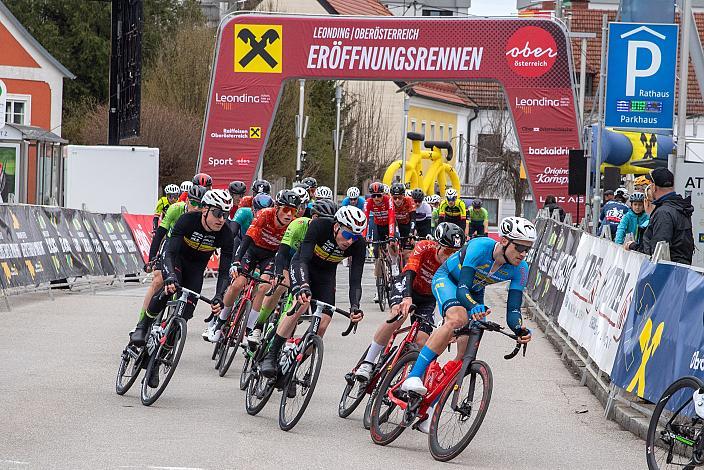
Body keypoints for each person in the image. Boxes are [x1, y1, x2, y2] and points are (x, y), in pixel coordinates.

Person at [401, 216, 535, 397]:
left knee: (467, 350)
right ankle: (414, 376)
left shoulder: (521, 269)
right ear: (504, 241)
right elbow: (462, 288)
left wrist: (519, 328)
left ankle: (433, 404)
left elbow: (513, 309)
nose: (523, 254)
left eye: (528, 249)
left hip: (475, 291)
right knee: (458, 318)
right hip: (450, 280)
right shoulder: (480, 247)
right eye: (519, 247)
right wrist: (472, 308)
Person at [260, 206, 367, 378]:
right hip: (303, 266)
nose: (350, 242)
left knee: (323, 323)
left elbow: (355, 280)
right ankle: (271, 355)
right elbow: (303, 258)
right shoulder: (319, 226)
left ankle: (292, 369)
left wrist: (355, 306)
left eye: (355, 237)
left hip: (325, 276)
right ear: (336, 226)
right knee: (301, 304)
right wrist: (303, 285)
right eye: (347, 235)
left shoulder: (358, 245)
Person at [355, 222, 466, 381]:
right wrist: (406, 297)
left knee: (422, 340)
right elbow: (409, 272)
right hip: (408, 286)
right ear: (437, 245)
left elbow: (453, 293)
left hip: (427, 298)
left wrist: (449, 320)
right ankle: (368, 362)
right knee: (398, 316)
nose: (450, 257)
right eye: (448, 251)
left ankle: (406, 375)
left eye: (455, 253)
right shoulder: (424, 247)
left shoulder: (456, 265)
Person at [130, 189, 234, 348]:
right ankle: (143, 326)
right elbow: (170, 251)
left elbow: (224, 271)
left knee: (187, 312)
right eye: (218, 213)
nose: (221, 219)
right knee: (168, 289)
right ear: (205, 209)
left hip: (196, 269)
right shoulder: (187, 220)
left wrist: (219, 295)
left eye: (225, 215)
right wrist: (170, 275)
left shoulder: (226, 234)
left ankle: (160, 359)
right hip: (176, 259)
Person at [210, 190, 300, 342]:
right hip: (251, 250)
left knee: (264, 287)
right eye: (286, 209)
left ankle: (249, 330)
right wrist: (237, 260)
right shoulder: (265, 214)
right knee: (238, 284)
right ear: (277, 207)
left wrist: (278, 274)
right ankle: (219, 324)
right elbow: (247, 238)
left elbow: (285, 252)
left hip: (270, 256)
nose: (289, 215)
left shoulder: (293, 224)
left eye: (293, 211)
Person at [247, 199, 339, 346]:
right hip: (287, 260)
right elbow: (281, 253)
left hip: (306, 266)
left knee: (299, 302)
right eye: (322, 220)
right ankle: (258, 326)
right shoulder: (299, 224)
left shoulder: (329, 234)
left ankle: (285, 335)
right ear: (314, 217)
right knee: (281, 285)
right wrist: (277, 274)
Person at [138, 185, 207, 339]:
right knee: (158, 280)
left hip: (188, 251)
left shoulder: (205, 218)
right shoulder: (175, 209)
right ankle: (142, 322)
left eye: (201, 205)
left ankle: (170, 322)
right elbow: (159, 235)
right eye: (194, 203)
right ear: (187, 200)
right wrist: (150, 260)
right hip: (171, 245)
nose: (197, 208)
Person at [626, 168, 695, 265]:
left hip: (667, 273)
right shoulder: (679, 206)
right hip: (679, 269)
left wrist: (633, 246)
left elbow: (657, 252)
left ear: (654, 187)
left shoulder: (663, 212)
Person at [364, 181, 397, 281]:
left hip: (389, 225)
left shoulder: (388, 200)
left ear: (383, 194)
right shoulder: (368, 202)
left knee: (392, 245)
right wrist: (363, 236)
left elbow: (391, 218)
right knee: (376, 251)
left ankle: (394, 264)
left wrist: (391, 236)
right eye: (374, 196)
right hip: (378, 226)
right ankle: (379, 282)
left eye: (379, 195)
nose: (376, 198)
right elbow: (365, 219)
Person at [390, 183, 417, 262]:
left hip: (406, 225)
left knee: (407, 254)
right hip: (395, 225)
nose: (397, 200)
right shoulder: (390, 202)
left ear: (403, 196)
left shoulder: (409, 200)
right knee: (392, 244)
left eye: (400, 197)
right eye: (395, 198)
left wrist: (411, 234)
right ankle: (393, 263)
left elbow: (413, 219)